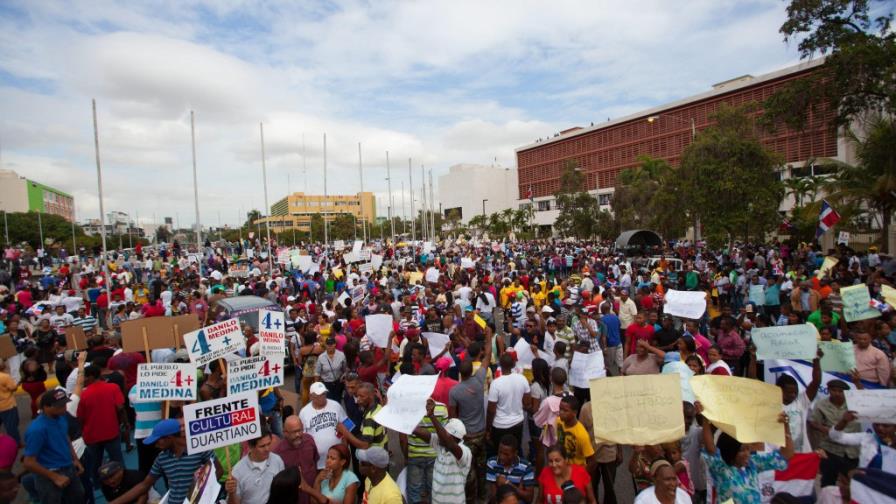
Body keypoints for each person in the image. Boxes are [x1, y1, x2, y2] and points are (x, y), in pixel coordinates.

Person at [696, 401, 793, 504]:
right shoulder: (720, 467)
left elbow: (786, 454)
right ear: (731, 450)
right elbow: (710, 448)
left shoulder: (752, 464)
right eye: (742, 450)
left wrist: (785, 426)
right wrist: (705, 420)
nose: (748, 454)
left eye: (748, 449)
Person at [108, 419, 216, 504]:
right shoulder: (161, 458)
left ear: (169, 437)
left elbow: (218, 470)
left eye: (157, 440)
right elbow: (144, 485)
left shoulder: (199, 449)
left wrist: (200, 494)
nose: (155, 445)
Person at [22, 389, 86, 504]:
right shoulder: (37, 430)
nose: (65, 408)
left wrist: (75, 459)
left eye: (65, 404)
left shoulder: (61, 417)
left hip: (69, 467)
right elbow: (29, 462)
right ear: (46, 407)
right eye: (60, 406)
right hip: (49, 475)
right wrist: (54, 477)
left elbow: (65, 437)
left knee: (79, 498)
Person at [411, 398, 473, 504]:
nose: (440, 435)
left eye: (445, 433)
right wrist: (404, 422)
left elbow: (449, 443)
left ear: (455, 438)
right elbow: (422, 433)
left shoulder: (464, 452)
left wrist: (432, 416)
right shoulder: (441, 444)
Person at [77, 362, 125, 484]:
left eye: (84, 377)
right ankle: (123, 482)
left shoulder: (83, 395)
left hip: (91, 435)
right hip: (111, 431)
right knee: (117, 460)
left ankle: (98, 484)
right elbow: (120, 407)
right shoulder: (113, 388)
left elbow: (80, 417)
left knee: (95, 463)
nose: (83, 379)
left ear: (91, 377)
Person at [809, 380, 862, 486]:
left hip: (851, 451)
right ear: (828, 390)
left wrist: (857, 382)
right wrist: (824, 429)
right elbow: (813, 423)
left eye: (840, 391)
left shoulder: (854, 403)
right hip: (830, 449)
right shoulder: (821, 405)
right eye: (834, 390)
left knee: (852, 483)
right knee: (828, 482)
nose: (837, 393)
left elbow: (866, 398)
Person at [226, 429, 285, 504]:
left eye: (269, 444)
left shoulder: (277, 460)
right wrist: (232, 493)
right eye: (262, 446)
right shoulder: (237, 471)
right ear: (251, 447)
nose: (267, 449)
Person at [487, 353, 531, 452]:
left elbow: (491, 410)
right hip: (518, 423)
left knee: (500, 453)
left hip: (500, 425)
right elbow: (527, 402)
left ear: (500, 365)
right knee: (515, 450)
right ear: (513, 364)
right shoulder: (522, 379)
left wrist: (488, 428)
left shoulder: (495, 383)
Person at [299, 382, 347, 470]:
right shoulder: (304, 412)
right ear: (311, 396)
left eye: (324, 394)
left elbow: (347, 425)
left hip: (338, 458)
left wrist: (345, 448)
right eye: (319, 395)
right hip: (318, 463)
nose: (322, 397)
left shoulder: (336, 405)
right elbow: (302, 437)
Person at [273, 415, 319, 504]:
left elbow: (314, 461)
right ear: (285, 432)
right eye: (294, 432)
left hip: (313, 495)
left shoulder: (309, 440)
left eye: (300, 430)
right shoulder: (278, 453)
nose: (298, 435)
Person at [828, 410, 895, 469]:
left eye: (886, 426)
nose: (880, 428)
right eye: (876, 424)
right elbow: (836, 437)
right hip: (866, 478)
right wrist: (844, 421)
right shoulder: (866, 437)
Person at [555, 396, 595, 470]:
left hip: (575, 471)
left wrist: (580, 475)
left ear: (574, 413)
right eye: (560, 409)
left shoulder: (582, 435)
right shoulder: (558, 421)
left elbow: (592, 461)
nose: (561, 412)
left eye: (565, 410)